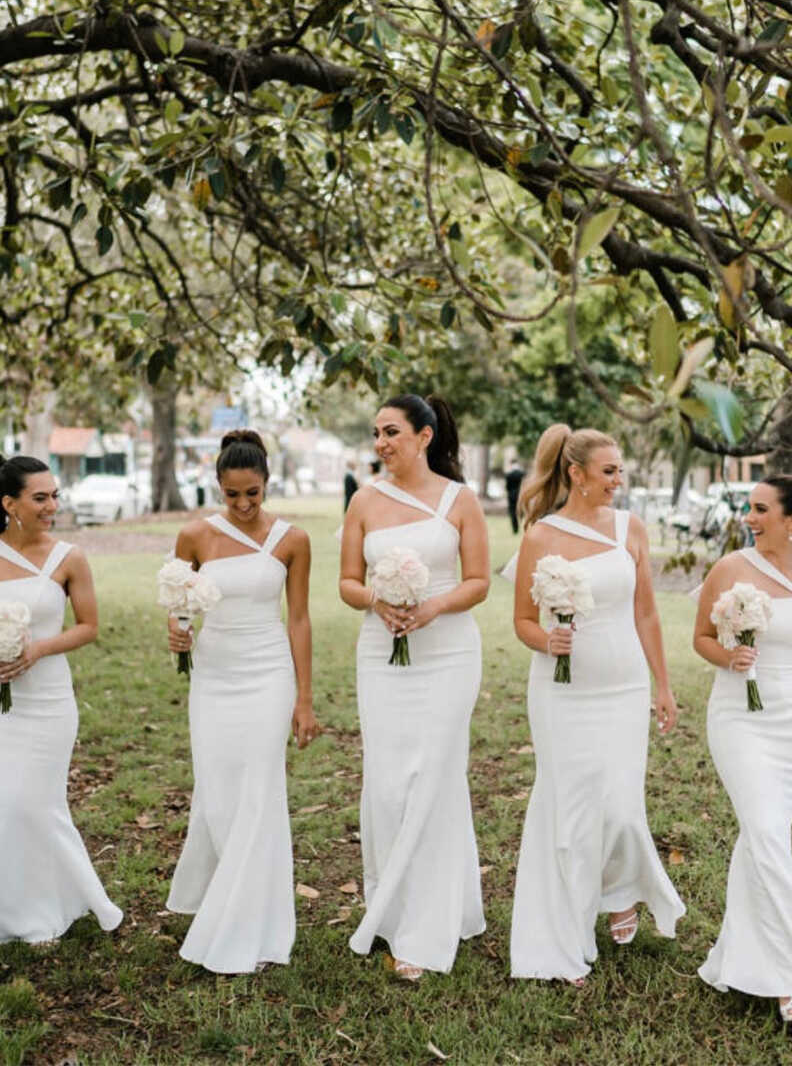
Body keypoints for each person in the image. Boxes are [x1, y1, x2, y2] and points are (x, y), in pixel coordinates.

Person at [510, 425, 684, 984]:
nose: (618, 480)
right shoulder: (541, 535)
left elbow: (646, 613)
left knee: (622, 808)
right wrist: (548, 641)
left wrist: (662, 684)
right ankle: (564, 930)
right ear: (576, 473)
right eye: (608, 471)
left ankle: (619, 889)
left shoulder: (631, 528)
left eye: (620, 471)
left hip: (624, 686)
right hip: (561, 693)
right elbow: (522, 621)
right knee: (571, 811)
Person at [339, 393, 490, 980]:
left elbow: (478, 581)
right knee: (387, 783)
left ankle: (426, 930)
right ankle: (393, 907)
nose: (381, 443)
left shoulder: (460, 500)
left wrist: (431, 607)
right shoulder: (363, 501)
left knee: (434, 779)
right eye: (376, 432)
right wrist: (378, 600)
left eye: (392, 432)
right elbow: (348, 583)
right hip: (381, 654)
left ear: (424, 436)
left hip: (448, 653)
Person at [166, 429, 319, 974]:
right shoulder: (194, 536)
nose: (244, 504)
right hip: (214, 674)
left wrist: (304, 699)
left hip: (269, 672)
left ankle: (249, 918)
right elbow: (178, 606)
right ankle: (223, 892)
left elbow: (298, 619)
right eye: (232, 494)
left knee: (258, 789)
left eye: (252, 493)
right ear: (218, 486)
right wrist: (177, 632)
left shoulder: (293, 539)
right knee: (217, 789)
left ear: (267, 482)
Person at [0, 455, 123, 943]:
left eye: (55, 496)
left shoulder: (69, 557)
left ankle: (55, 907)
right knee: (9, 805)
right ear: (9, 504)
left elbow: (89, 627)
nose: (52, 506)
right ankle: (20, 906)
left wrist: (36, 650)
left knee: (33, 804)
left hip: (49, 702)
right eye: (40, 498)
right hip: (5, 704)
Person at [693, 475, 792, 1021]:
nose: (749, 517)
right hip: (741, 717)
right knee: (764, 831)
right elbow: (701, 638)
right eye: (748, 508)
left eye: (761, 509)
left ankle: (744, 960)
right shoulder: (731, 568)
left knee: (764, 839)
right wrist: (729, 656)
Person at [505, 460, 525, 535]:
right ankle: (522, 523)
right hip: (521, 495)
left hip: (511, 496)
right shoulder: (522, 474)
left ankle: (515, 529)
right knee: (521, 511)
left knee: (513, 512)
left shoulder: (509, 475)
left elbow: (507, 487)